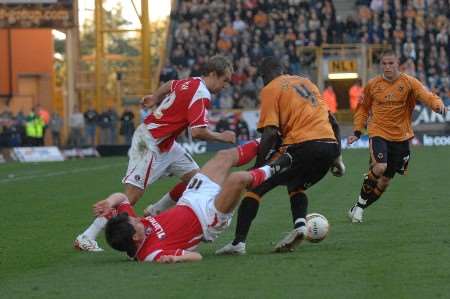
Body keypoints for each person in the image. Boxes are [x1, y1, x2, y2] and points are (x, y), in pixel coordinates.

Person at [74, 55, 237, 251]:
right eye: (225, 80)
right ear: (213, 74)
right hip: (150, 141)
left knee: (196, 181)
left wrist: (154, 97)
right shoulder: (202, 94)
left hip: (166, 143)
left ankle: (155, 210)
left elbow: (170, 84)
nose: (226, 85)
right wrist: (223, 137)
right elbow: (197, 132)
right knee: (130, 197)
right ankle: (87, 236)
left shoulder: (191, 82)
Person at [216, 57, 344, 255]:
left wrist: (258, 167)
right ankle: (301, 226)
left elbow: (270, 133)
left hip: (302, 146)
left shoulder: (271, 88)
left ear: (264, 76)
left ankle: (238, 243)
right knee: (297, 184)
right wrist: (337, 158)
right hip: (328, 148)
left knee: (256, 187)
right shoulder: (307, 83)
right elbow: (333, 123)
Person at [100, 139, 290, 263]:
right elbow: (197, 256)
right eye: (133, 221)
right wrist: (175, 259)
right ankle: (274, 168)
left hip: (191, 197)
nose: (136, 218)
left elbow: (122, 198)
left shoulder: (133, 229)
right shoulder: (152, 254)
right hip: (208, 219)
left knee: (224, 156)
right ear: (134, 237)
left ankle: (276, 139)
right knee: (237, 180)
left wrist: (109, 202)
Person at [347, 50, 447, 223]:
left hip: (401, 137)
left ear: (398, 64)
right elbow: (363, 108)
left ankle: (358, 207)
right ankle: (360, 208)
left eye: (391, 63)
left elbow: (427, 96)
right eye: (384, 63)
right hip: (378, 132)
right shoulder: (372, 85)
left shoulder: (409, 83)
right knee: (380, 167)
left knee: (384, 181)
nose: (387, 67)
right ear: (381, 65)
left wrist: (437, 105)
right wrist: (357, 131)